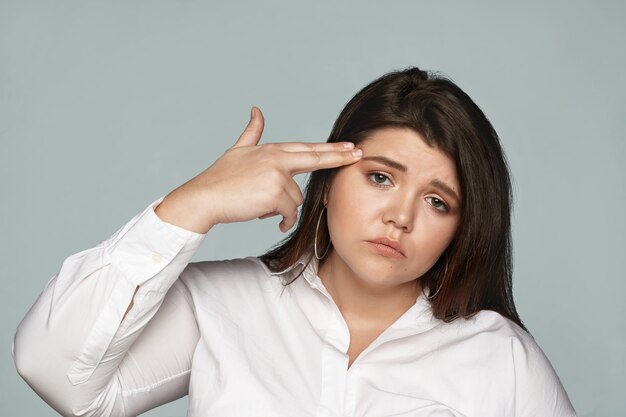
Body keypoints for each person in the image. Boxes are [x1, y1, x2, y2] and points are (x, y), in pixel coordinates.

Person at [13, 67, 577, 416]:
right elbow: (59, 374)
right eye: (380, 177)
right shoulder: (221, 305)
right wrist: (192, 204)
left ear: (462, 227)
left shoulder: (500, 359)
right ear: (326, 187)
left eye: (437, 201)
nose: (400, 217)